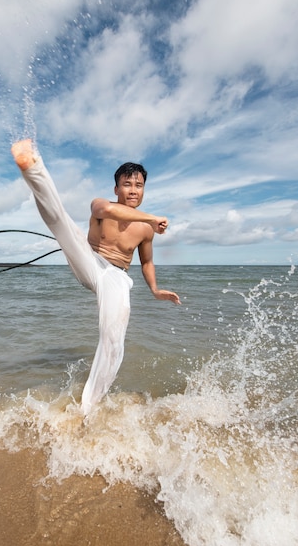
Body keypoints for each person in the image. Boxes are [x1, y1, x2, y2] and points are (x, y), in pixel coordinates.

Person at [11, 139, 181, 414]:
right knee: (60, 221)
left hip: (116, 276)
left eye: (139, 185)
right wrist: (151, 218)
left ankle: (87, 409)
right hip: (89, 259)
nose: (133, 190)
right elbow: (109, 210)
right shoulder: (101, 205)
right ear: (117, 188)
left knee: (114, 338)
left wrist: (155, 290)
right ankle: (32, 166)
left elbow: (147, 261)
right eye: (127, 184)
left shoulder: (146, 230)